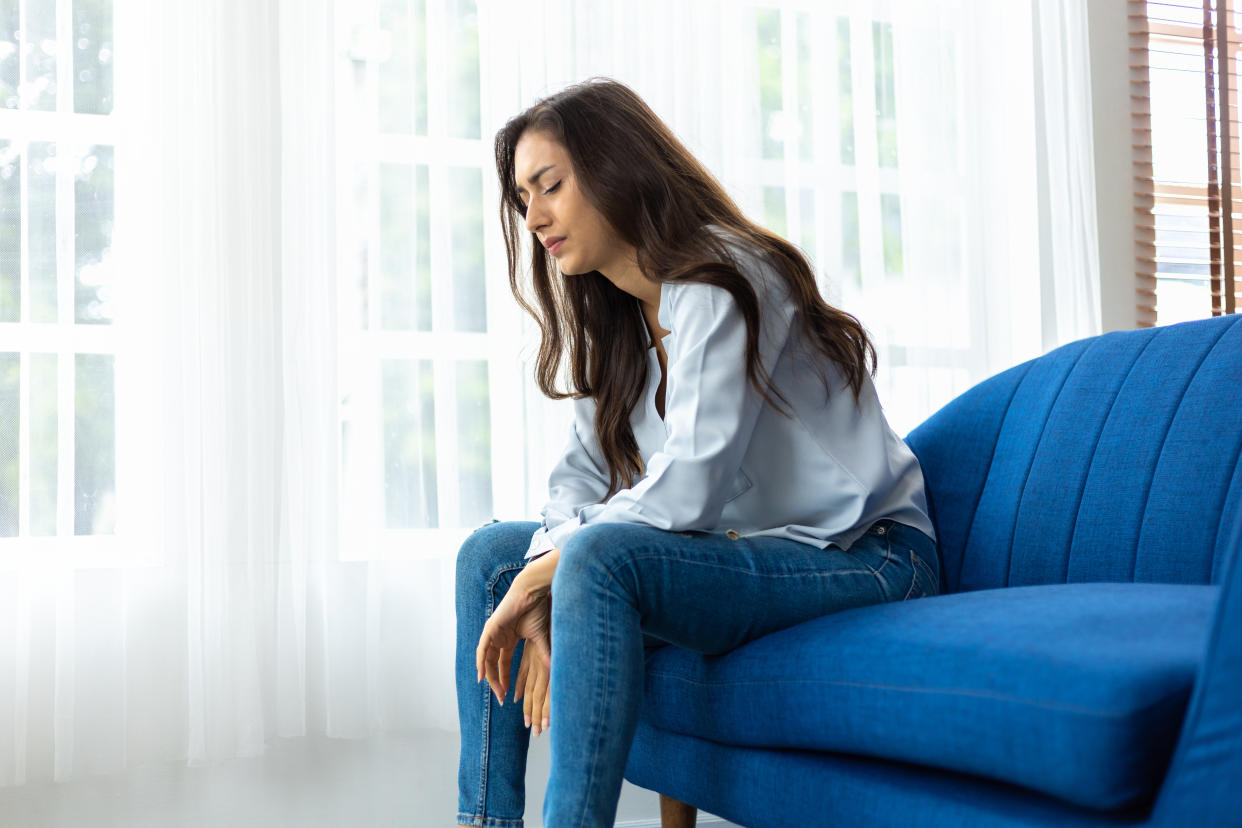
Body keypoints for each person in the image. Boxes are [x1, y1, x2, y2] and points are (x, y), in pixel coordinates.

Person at [455, 77, 939, 828]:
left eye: (549, 185)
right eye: (522, 199)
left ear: (616, 167)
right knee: (489, 558)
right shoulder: (618, 319)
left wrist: (547, 575)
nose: (535, 216)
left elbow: (689, 490)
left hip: (866, 556)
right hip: (751, 550)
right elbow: (574, 482)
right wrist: (533, 575)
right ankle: (483, 821)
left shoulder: (727, 275)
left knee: (596, 558)